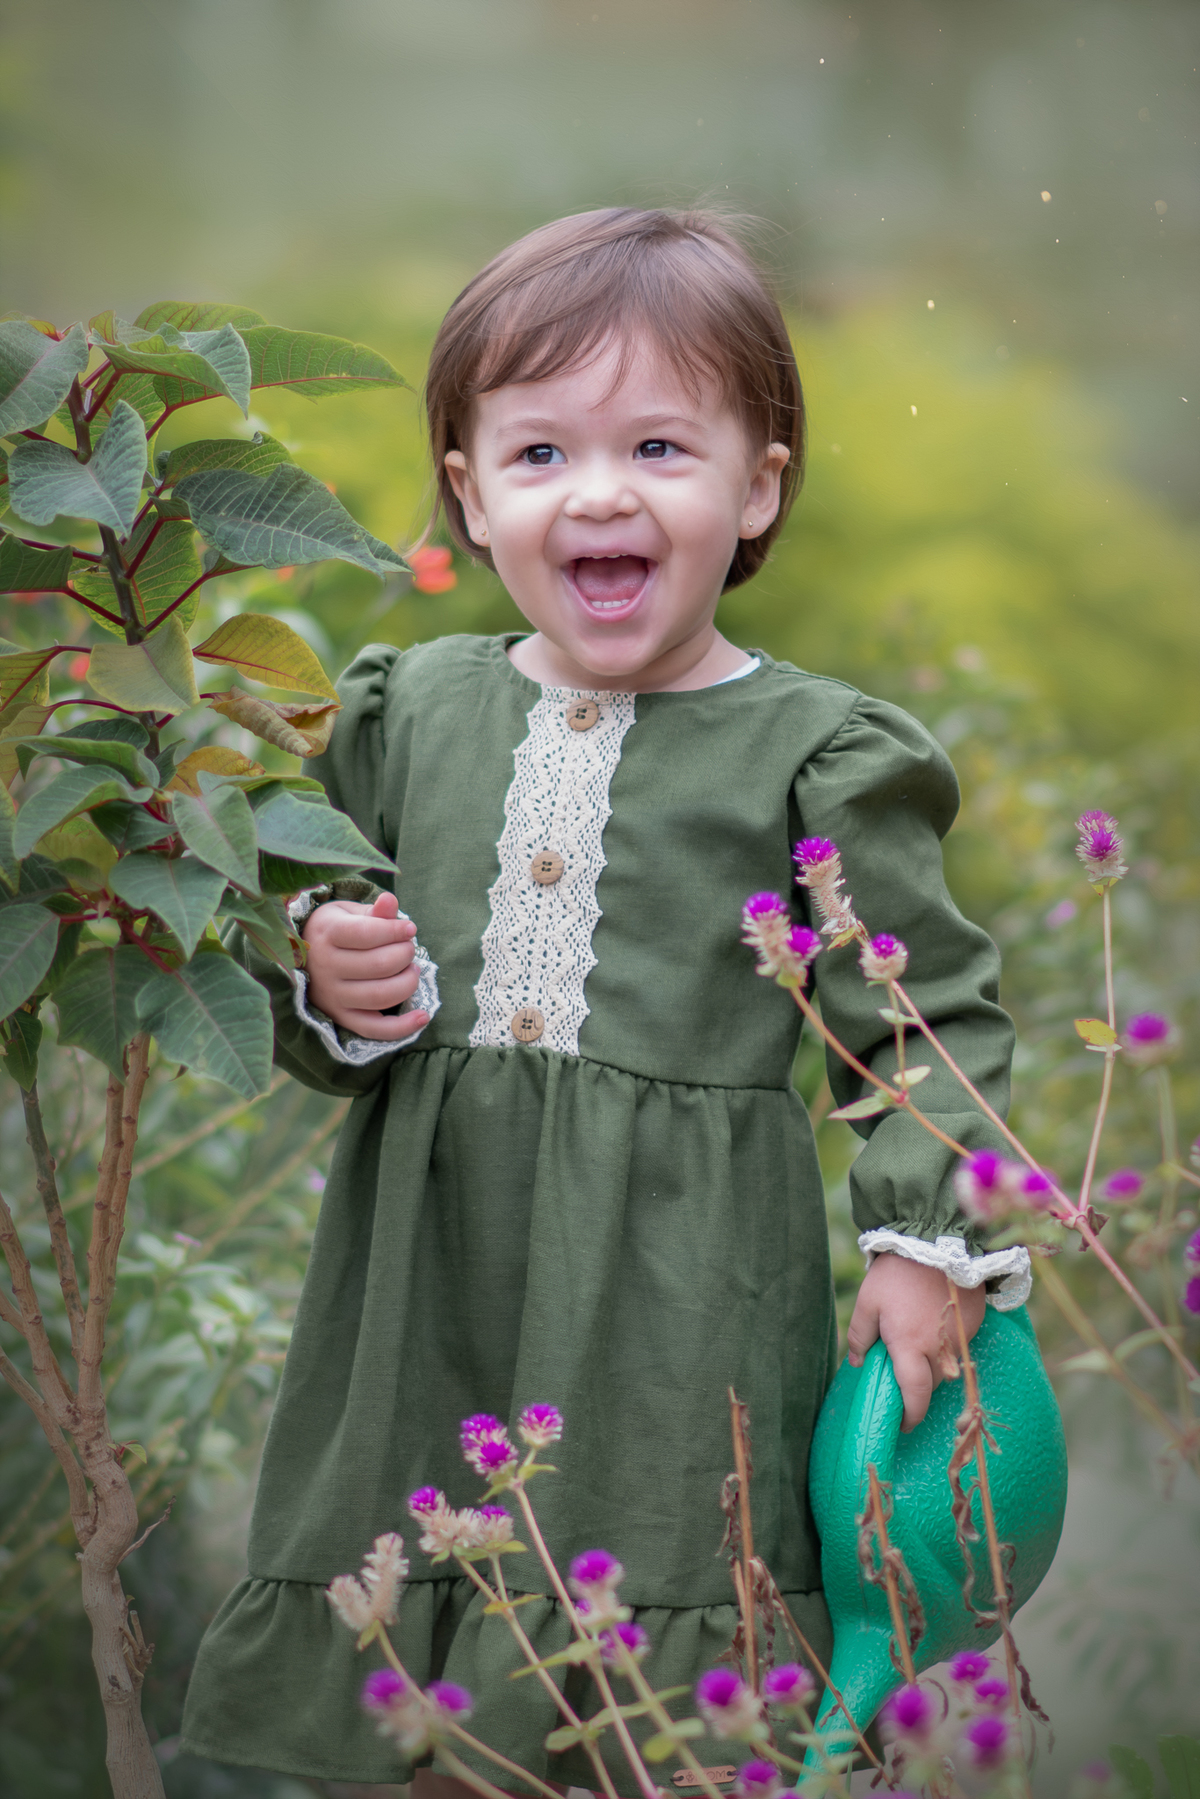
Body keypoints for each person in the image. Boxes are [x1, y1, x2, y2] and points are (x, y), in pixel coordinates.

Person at [181, 208, 1028, 1794]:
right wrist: (322, 963)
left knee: (647, 1690)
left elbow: (922, 1021)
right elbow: (271, 911)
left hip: (677, 1293)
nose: (603, 493)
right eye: (542, 454)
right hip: (426, 1287)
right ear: (470, 492)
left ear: (757, 483)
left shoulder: (817, 751)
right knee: (418, 1665)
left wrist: (925, 1251)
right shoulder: (405, 712)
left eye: (658, 443)